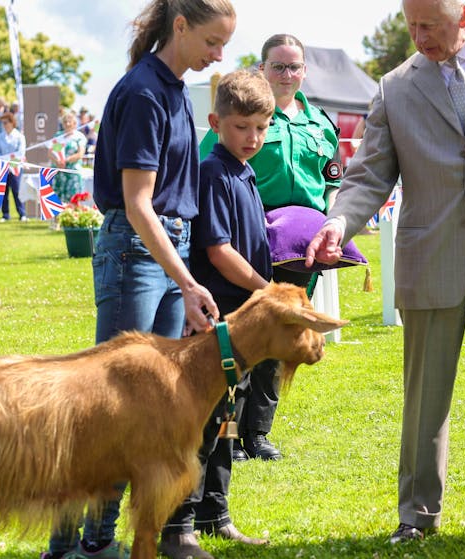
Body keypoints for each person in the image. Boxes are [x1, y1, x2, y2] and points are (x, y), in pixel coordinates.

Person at [306, 0, 465, 547]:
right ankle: (417, 516)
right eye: (412, 25)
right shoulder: (395, 87)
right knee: (425, 396)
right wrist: (339, 223)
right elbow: (367, 176)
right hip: (430, 255)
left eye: (431, 25)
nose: (420, 36)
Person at [41, 1, 234, 557]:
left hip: (162, 250)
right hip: (137, 249)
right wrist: (189, 280)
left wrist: (184, 276)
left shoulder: (172, 88)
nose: (219, 56)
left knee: (150, 406)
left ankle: (103, 540)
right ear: (180, 26)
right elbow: (138, 204)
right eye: (212, 42)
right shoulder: (146, 92)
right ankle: (74, 543)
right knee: (106, 408)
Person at [199, 33, 343, 462]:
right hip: (250, 244)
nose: (286, 74)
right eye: (278, 66)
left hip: (305, 248)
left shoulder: (320, 123)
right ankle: (228, 432)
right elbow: (214, 169)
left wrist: (331, 227)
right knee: (243, 335)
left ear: (304, 71)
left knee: (283, 338)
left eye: (294, 66)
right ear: (262, 69)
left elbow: (333, 182)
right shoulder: (245, 115)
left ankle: (258, 432)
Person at [163, 67, 275, 559]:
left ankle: (216, 514)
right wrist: (265, 289)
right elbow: (218, 250)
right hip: (217, 324)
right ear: (215, 122)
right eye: (241, 127)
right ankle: (178, 525)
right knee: (204, 423)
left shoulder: (244, 172)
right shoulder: (213, 173)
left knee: (229, 421)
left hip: (242, 326)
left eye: (261, 127)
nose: (252, 137)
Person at [0, 112, 28, 222]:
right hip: (3, 167)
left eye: (6, 122)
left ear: (12, 123)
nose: (4, 125)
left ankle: (22, 214)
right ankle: (5, 214)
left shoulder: (19, 136)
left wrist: (11, 162)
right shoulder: (0, 136)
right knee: (3, 191)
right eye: (2, 123)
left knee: (17, 190)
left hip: (15, 167)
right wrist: (4, 162)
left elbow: (20, 152)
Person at [49, 111, 89, 208]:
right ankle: (57, 221)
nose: (67, 124)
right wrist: (57, 161)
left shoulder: (79, 137)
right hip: (59, 171)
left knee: (73, 198)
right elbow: (50, 152)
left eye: (69, 121)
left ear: (75, 123)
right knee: (57, 198)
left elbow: (80, 154)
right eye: (65, 122)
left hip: (73, 171)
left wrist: (66, 160)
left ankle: (72, 220)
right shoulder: (57, 136)